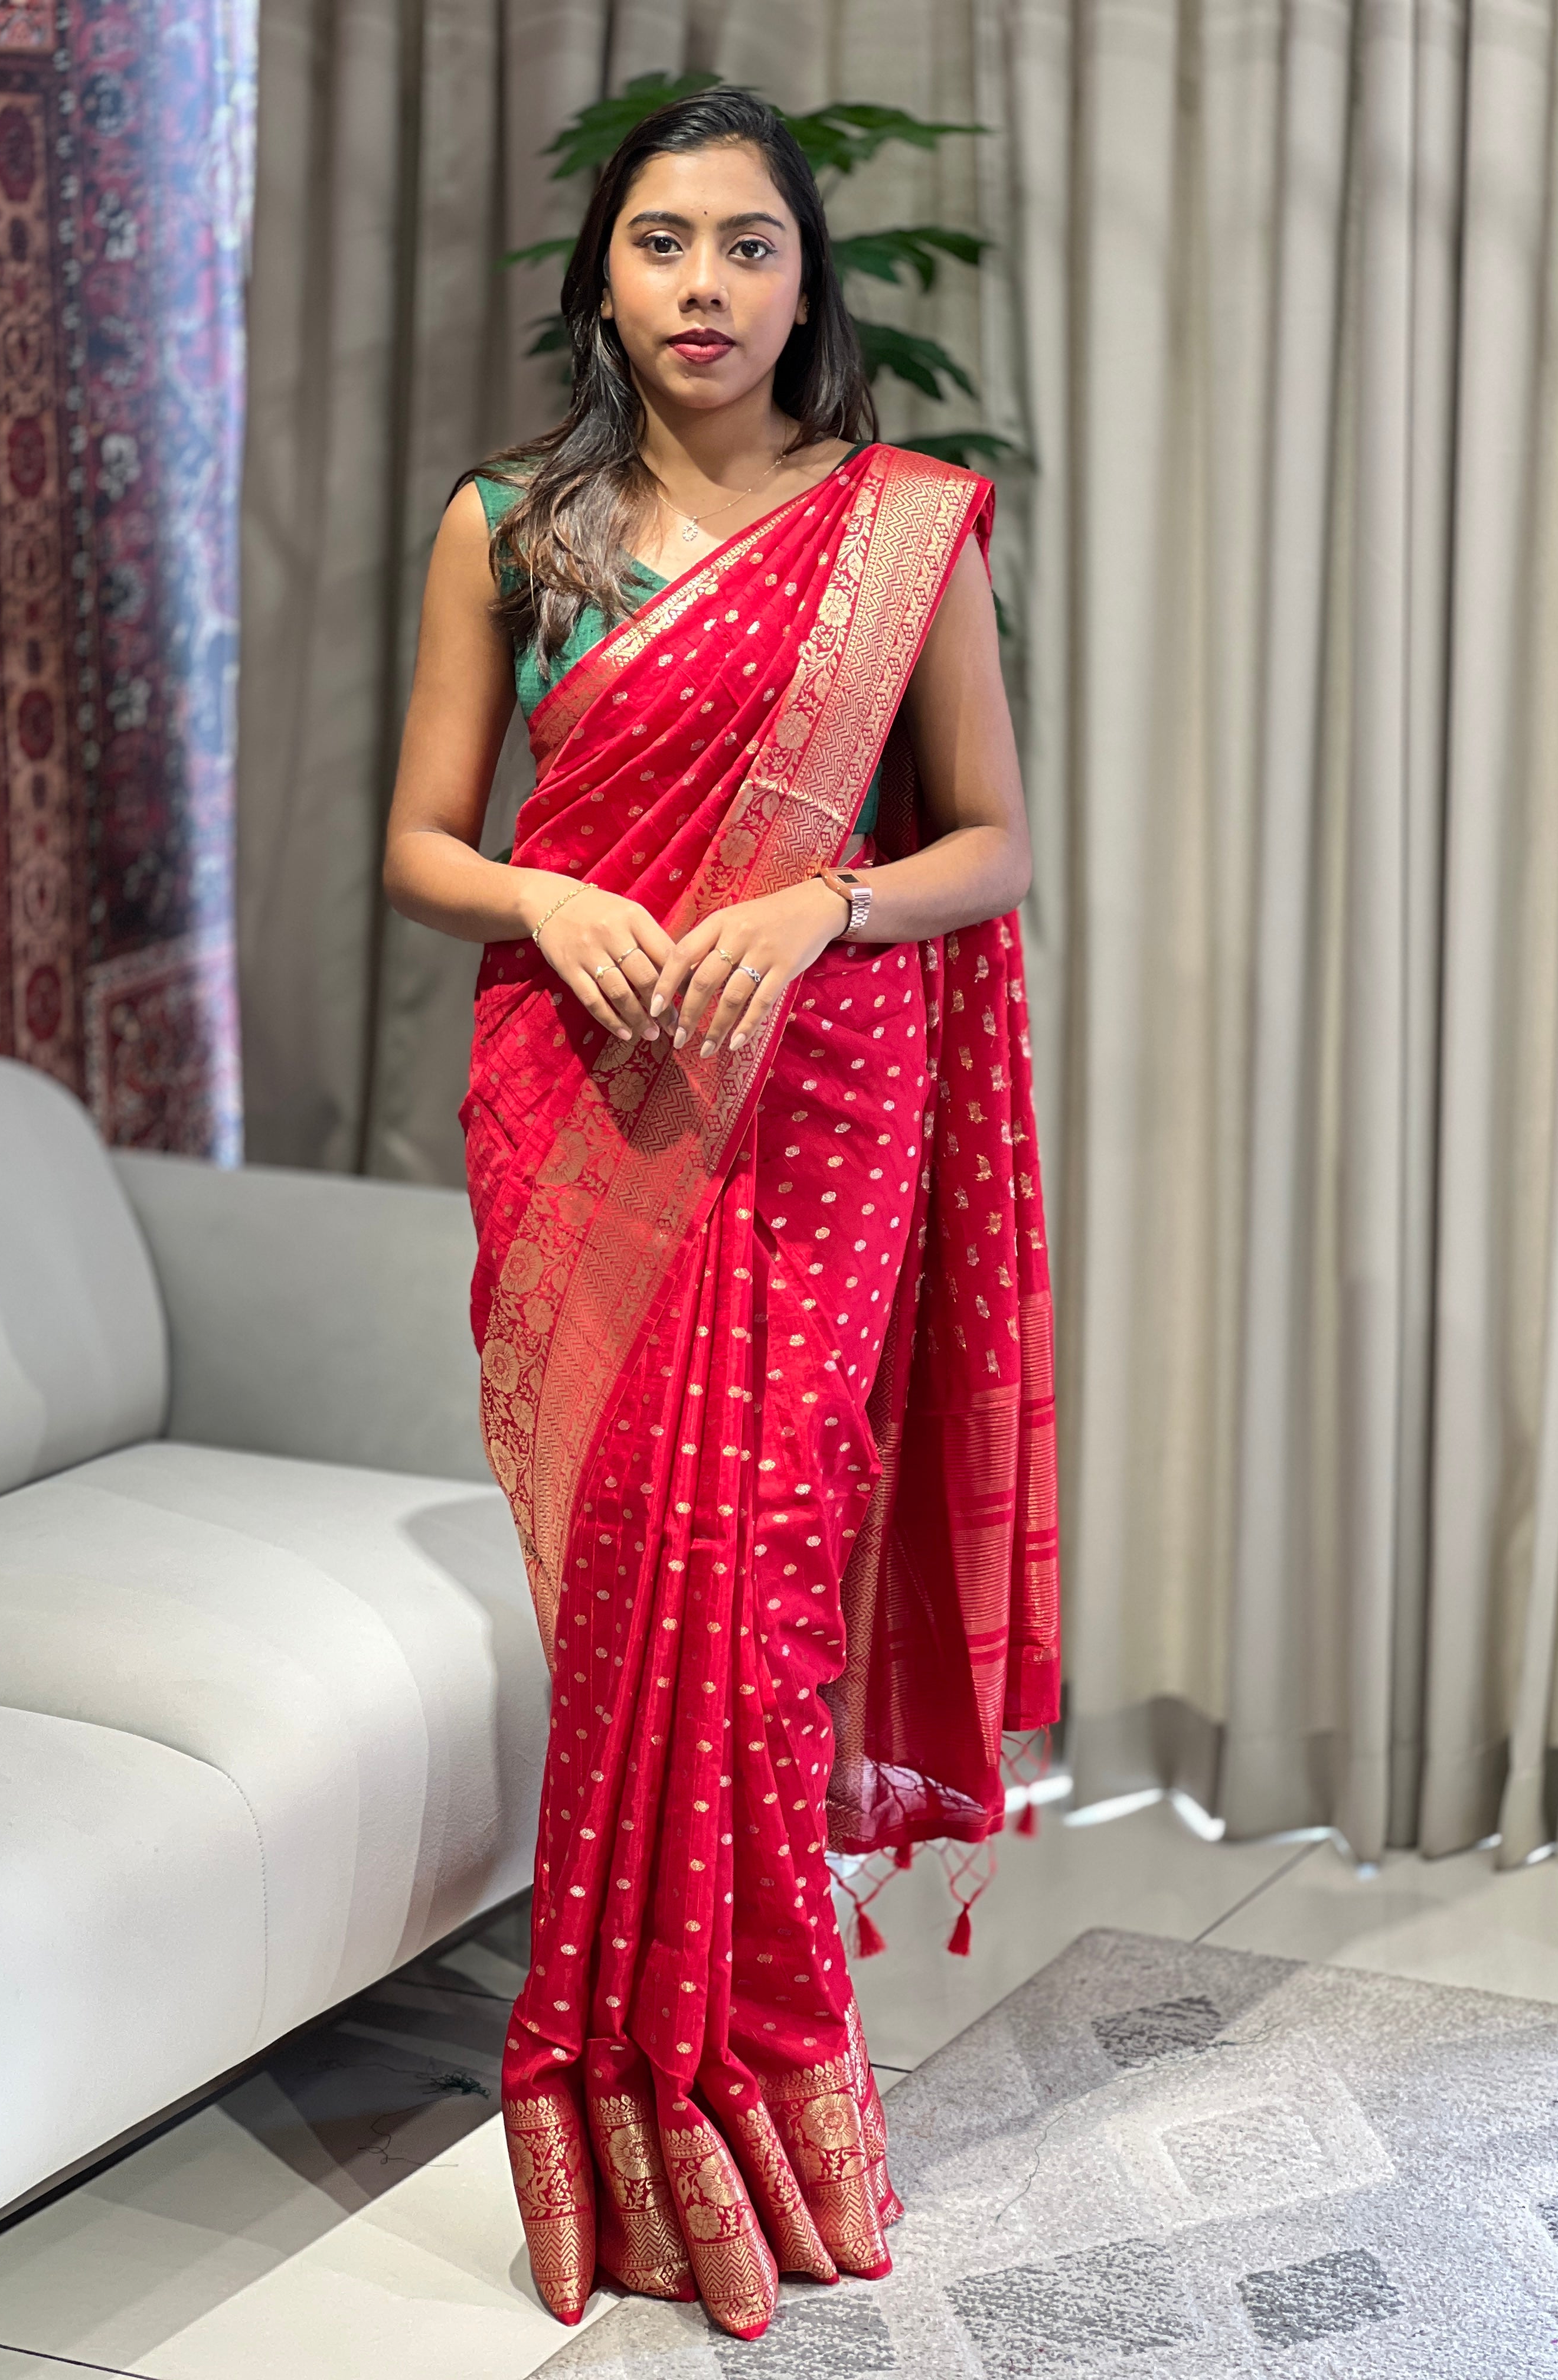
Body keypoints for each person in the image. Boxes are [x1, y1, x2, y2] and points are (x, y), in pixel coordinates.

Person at [383, 85, 1060, 2343]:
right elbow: (425, 847)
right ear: (603, 277)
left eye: (747, 245)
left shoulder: (904, 527)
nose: (703, 285)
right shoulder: (512, 526)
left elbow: (988, 843)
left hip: (824, 1091)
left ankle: (757, 2083)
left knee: (761, 1583)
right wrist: (546, 896)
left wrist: (824, 906)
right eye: (661, 242)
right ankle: (619, 2108)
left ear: (803, 281)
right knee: (628, 1597)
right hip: (574, 1088)